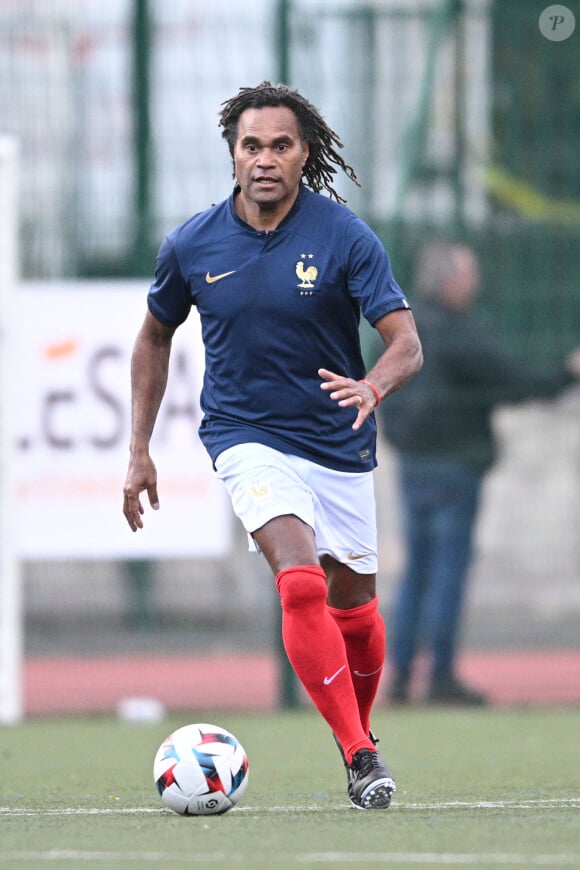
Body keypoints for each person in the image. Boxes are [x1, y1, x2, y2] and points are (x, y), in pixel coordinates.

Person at [122, 82, 423, 809]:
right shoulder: (192, 243)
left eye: (280, 146)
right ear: (232, 153)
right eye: (251, 146)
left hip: (337, 442)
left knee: (355, 612)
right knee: (298, 579)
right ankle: (358, 755)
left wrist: (373, 386)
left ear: (303, 153)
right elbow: (154, 335)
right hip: (244, 436)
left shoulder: (345, 236)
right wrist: (139, 447)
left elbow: (406, 344)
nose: (264, 159)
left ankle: (361, 728)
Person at [380, 240, 580, 706]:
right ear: (449, 280)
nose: (475, 282)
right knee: (448, 570)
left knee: (417, 571)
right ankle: (442, 675)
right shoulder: (460, 335)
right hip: (455, 467)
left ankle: (401, 675)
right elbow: (512, 381)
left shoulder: (398, 329)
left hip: (413, 463)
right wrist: (567, 373)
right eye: (468, 273)